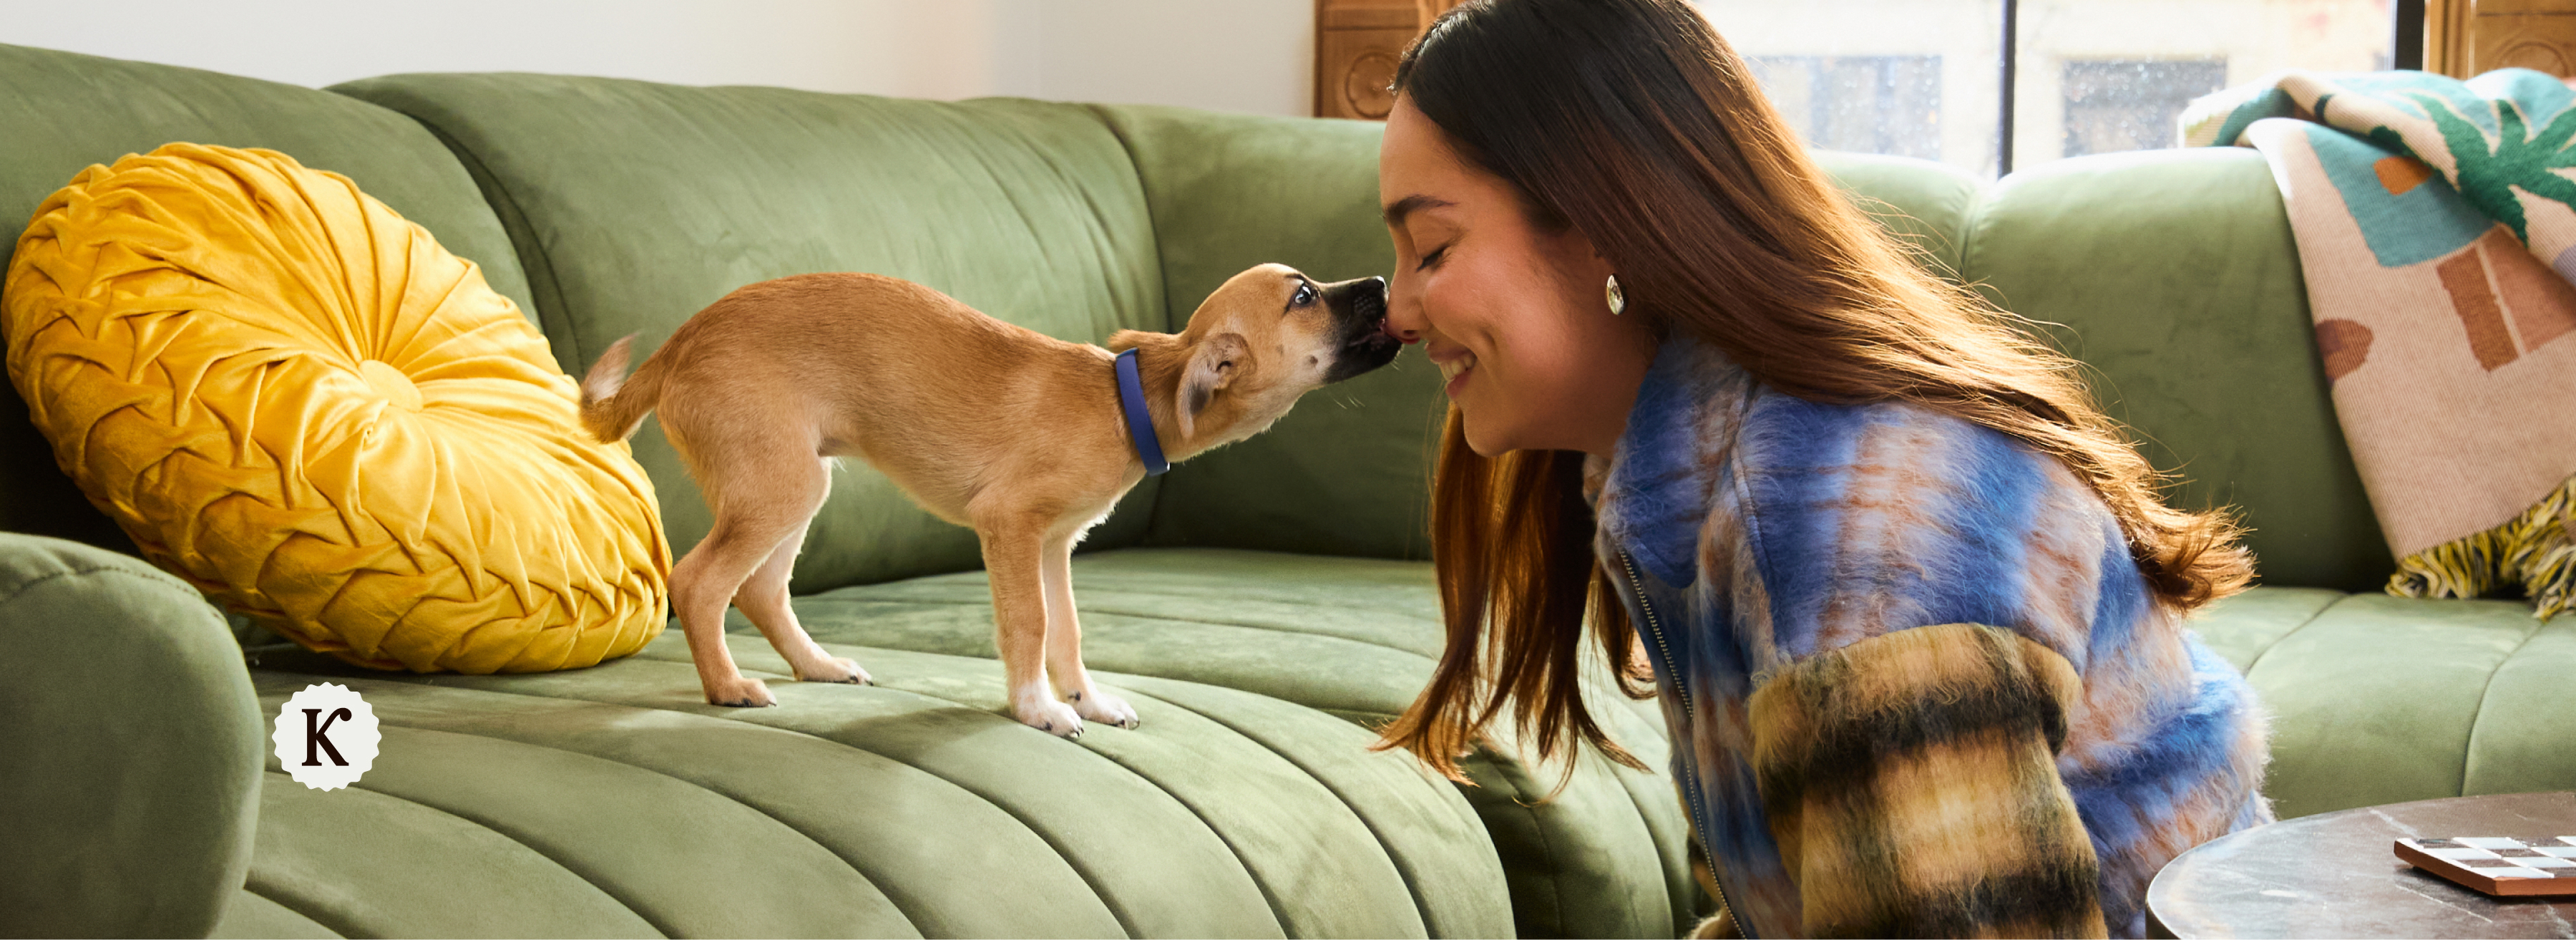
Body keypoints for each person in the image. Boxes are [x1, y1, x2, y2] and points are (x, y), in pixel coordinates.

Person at [1368, 1, 2273, 937]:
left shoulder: (1849, 536)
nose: (1396, 313)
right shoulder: (1677, 475)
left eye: (1432, 249)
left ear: (1601, 221)